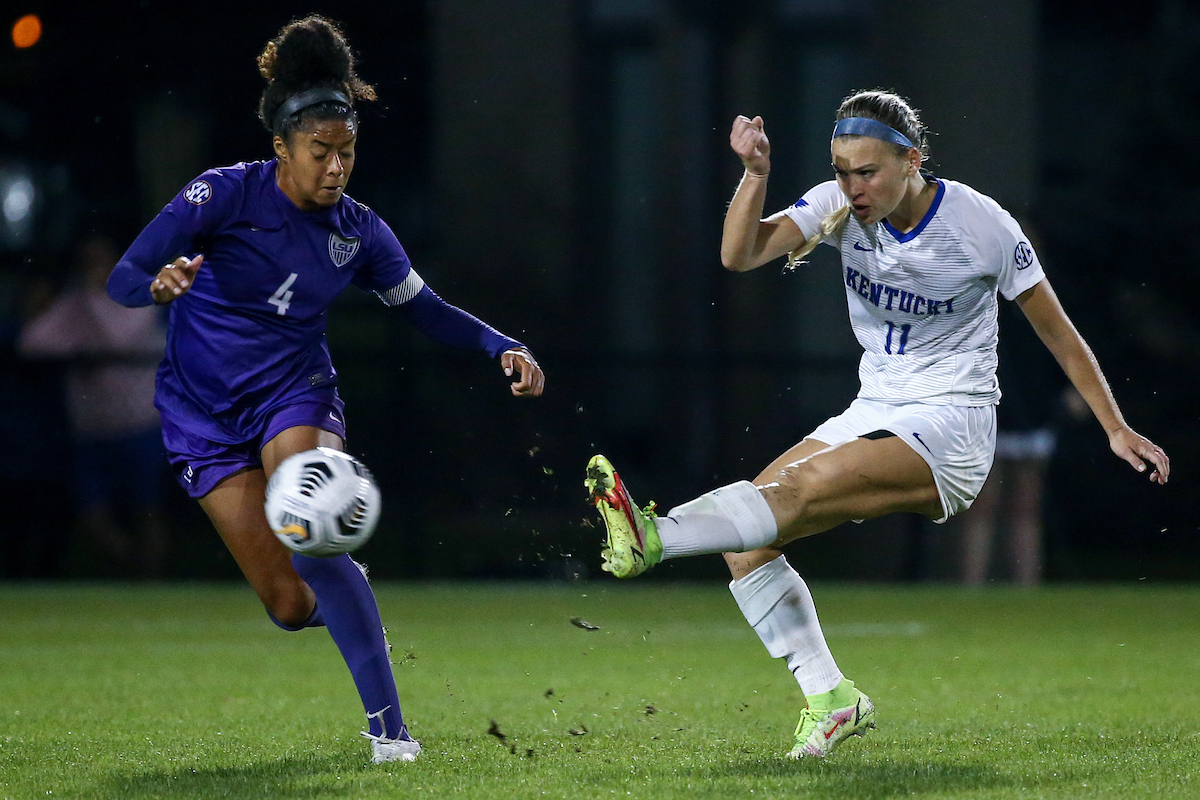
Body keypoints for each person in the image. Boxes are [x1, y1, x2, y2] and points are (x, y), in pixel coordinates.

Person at [585, 90, 1168, 759]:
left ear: (911, 160)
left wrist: (1115, 428)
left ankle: (653, 536)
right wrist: (754, 176)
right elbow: (740, 255)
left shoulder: (983, 226)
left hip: (952, 424)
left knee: (786, 496)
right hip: (874, 409)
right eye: (841, 170)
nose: (853, 187)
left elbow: (1060, 335)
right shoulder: (838, 208)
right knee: (747, 544)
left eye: (868, 172)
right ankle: (832, 699)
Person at [107, 15, 544, 764]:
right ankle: (351, 596)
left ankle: (391, 734)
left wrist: (501, 343)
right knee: (287, 605)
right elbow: (122, 279)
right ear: (281, 147)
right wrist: (157, 283)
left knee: (306, 524)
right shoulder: (222, 197)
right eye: (320, 152)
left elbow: (426, 309)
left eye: (347, 152)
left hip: (293, 392)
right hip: (199, 413)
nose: (336, 167)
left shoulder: (361, 232)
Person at [20, 234, 169, 578]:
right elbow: (31, 342)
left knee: (147, 509)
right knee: (91, 512)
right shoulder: (75, 304)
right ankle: (131, 569)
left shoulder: (140, 296)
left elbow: (114, 337)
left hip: (140, 424)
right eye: (87, 262)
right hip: (91, 428)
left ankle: (155, 579)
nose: (95, 270)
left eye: (101, 261)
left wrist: (89, 299)